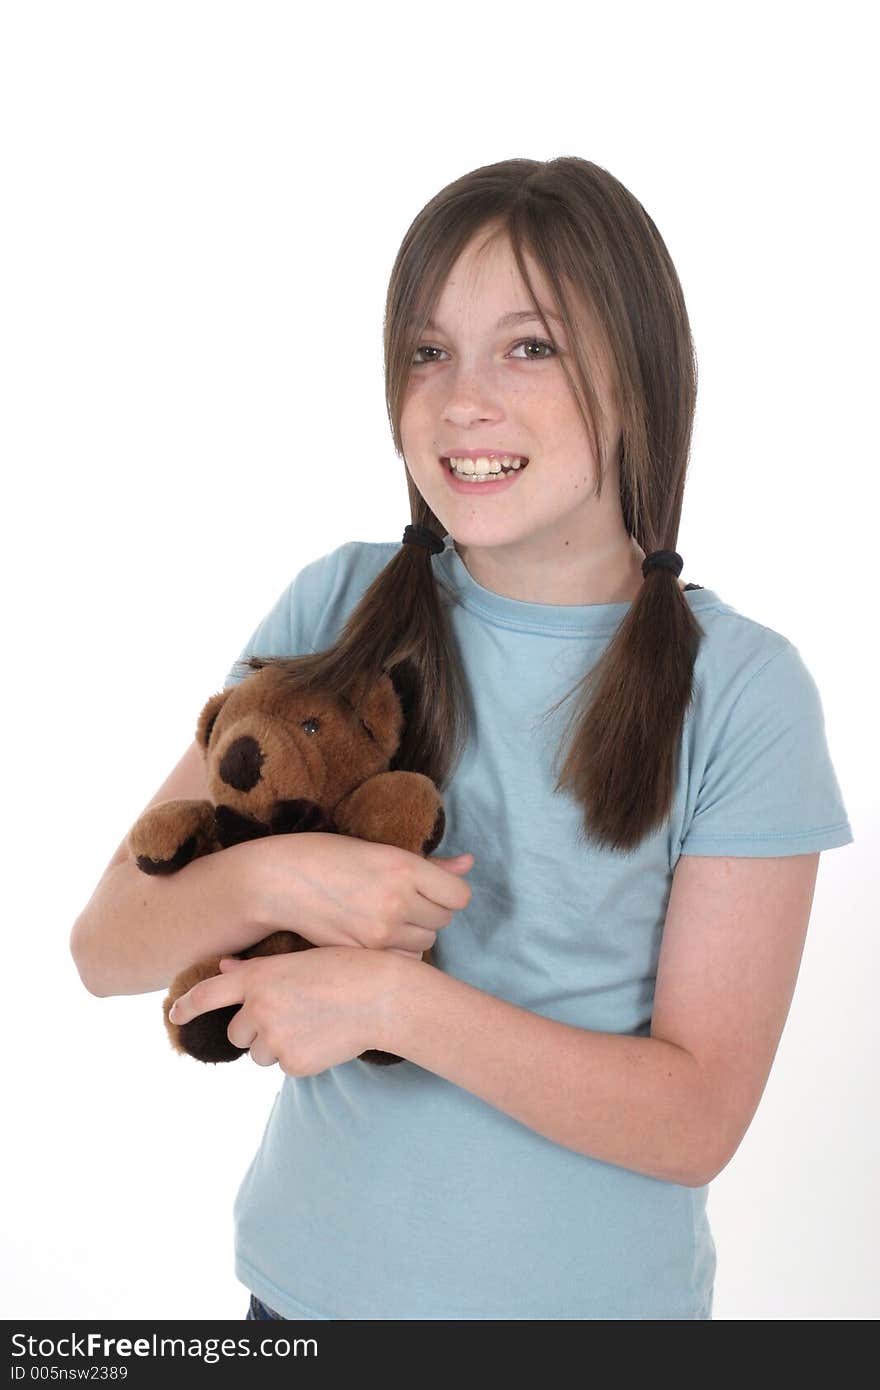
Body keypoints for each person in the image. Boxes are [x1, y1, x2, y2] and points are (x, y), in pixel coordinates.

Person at [70, 156, 854, 1321]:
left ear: (638, 375)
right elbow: (109, 946)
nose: (460, 399)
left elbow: (696, 1124)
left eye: (528, 346)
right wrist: (286, 872)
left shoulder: (742, 689)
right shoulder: (335, 608)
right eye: (427, 352)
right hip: (298, 1306)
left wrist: (391, 1007)